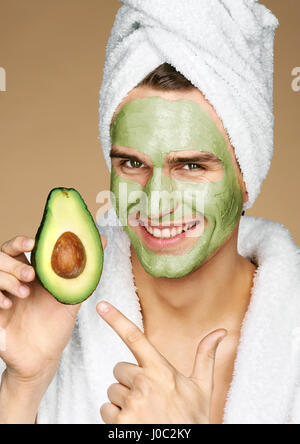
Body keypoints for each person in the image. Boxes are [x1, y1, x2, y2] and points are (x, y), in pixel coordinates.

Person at [1, 1, 300, 425]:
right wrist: (23, 386)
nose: (156, 202)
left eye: (191, 166)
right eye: (133, 164)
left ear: (246, 176)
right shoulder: (47, 322)